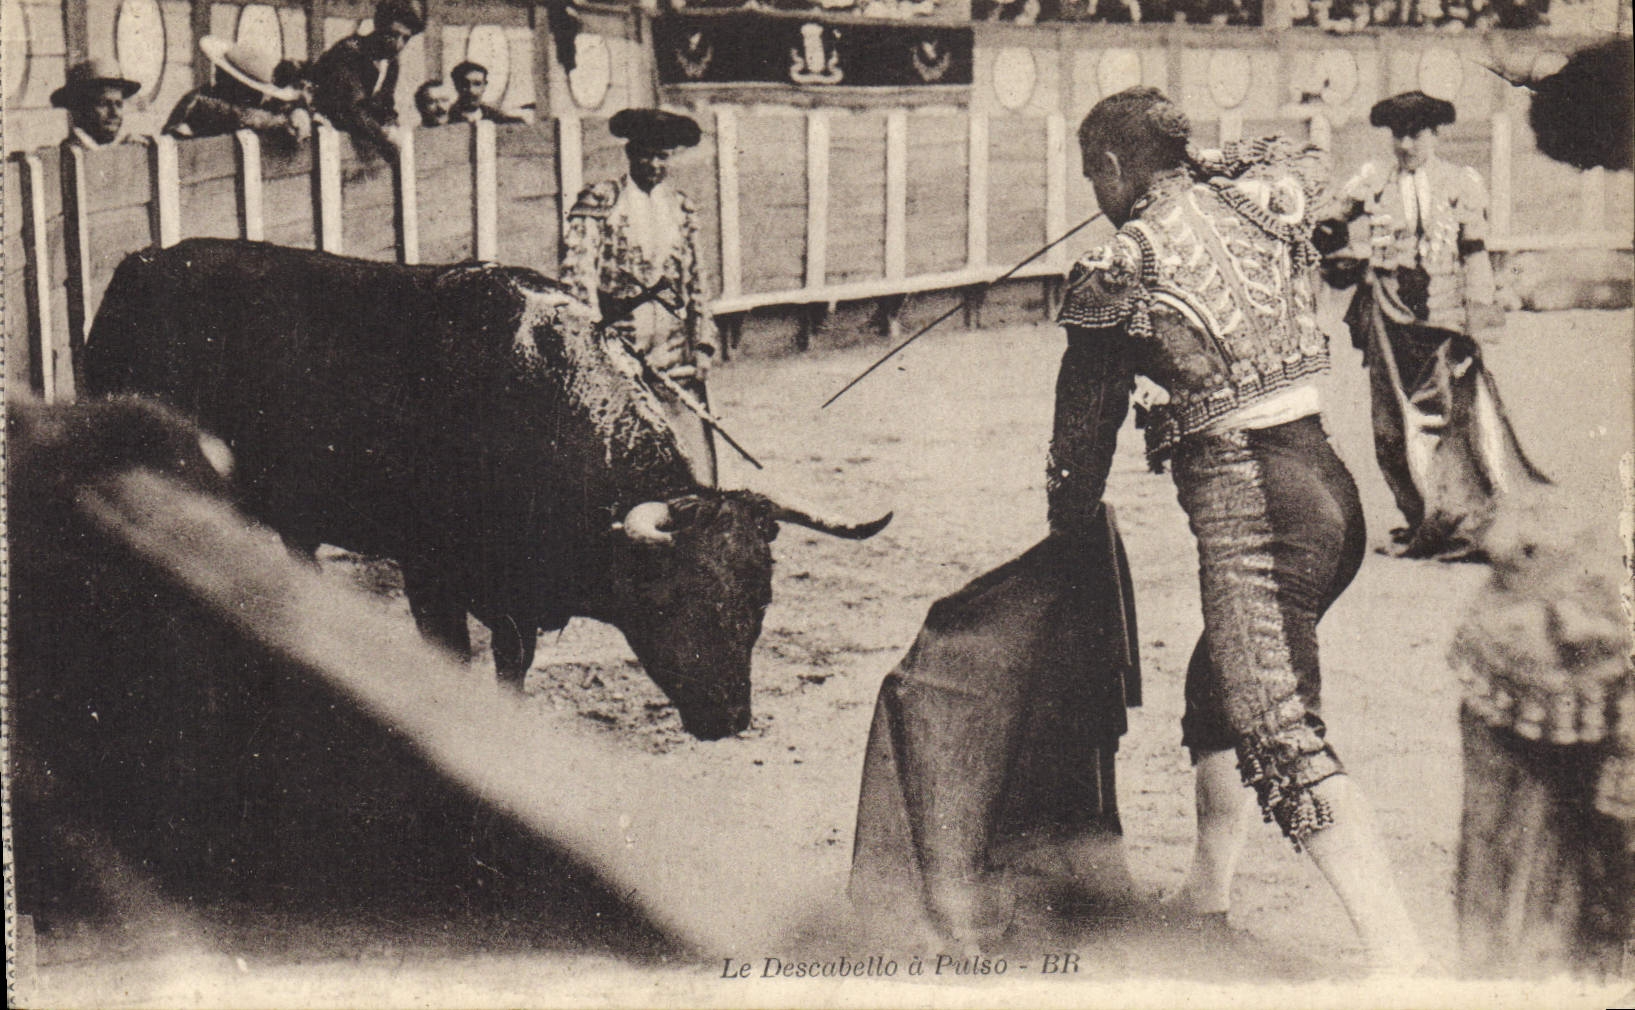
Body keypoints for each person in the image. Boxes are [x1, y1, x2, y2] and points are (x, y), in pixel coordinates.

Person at [1060, 86, 1422, 971]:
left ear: (1111, 166)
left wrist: (1064, 536)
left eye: (1090, 176)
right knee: (1218, 684)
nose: (1091, 193)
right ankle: (1205, 896)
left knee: (1278, 731)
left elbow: (1080, 438)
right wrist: (1208, 167)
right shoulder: (1261, 198)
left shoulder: (1121, 266)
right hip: (1330, 495)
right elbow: (1297, 160)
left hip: (1256, 510)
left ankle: (1404, 958)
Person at [1315, 91, 1546, 561]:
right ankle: (1420, 517)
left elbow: (1474, 252)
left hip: (1443, 313)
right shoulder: (1372, 179)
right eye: (1398, 135)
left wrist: (1478, 316)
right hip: (1386, 310)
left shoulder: (1461, 182)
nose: (1405, 144)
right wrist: (1337, 245)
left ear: (1435, 135)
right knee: (1389, 427)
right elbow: (1329, 224)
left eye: (1415, 134)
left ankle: (1458, 520)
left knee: (1447, 422)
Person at [560, 108, 717, 485]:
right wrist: (595, 337)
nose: (653, 164)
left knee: (686, 446)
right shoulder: (601, 200)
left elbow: (696, 281)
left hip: (673, 344)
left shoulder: (681, 207)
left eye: (662, 156)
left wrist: (704, 343)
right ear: (630, 155)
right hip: (619, 338)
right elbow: (578, 275)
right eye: (645, 154)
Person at [310, 0, 425, 160]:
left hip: (356, 140)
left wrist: (392, 125)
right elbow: (351, 109)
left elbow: (386, 105)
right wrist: (386, 136)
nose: (398, 44)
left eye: (405, 38)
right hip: (323, 138)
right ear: (379, 26)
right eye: (392, 34)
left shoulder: (391, 62)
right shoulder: (349, 52)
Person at [164, 37, 312, 143]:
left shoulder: (255, 103)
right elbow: (238, 115)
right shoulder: (199, 102)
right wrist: (280, 122)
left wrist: (298, 112)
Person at [52, 59, 142, 149]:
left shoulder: (131, 149)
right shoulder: (62, 157)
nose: (115, 113)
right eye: (103, 104)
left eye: (119, 104)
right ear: (79, 109)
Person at [448, 61, 524, 124]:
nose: (471, 90)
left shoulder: (497, 118)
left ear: (484, 86)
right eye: (465, 84)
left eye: (477, 84)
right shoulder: (447, 120)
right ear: (456, 86)